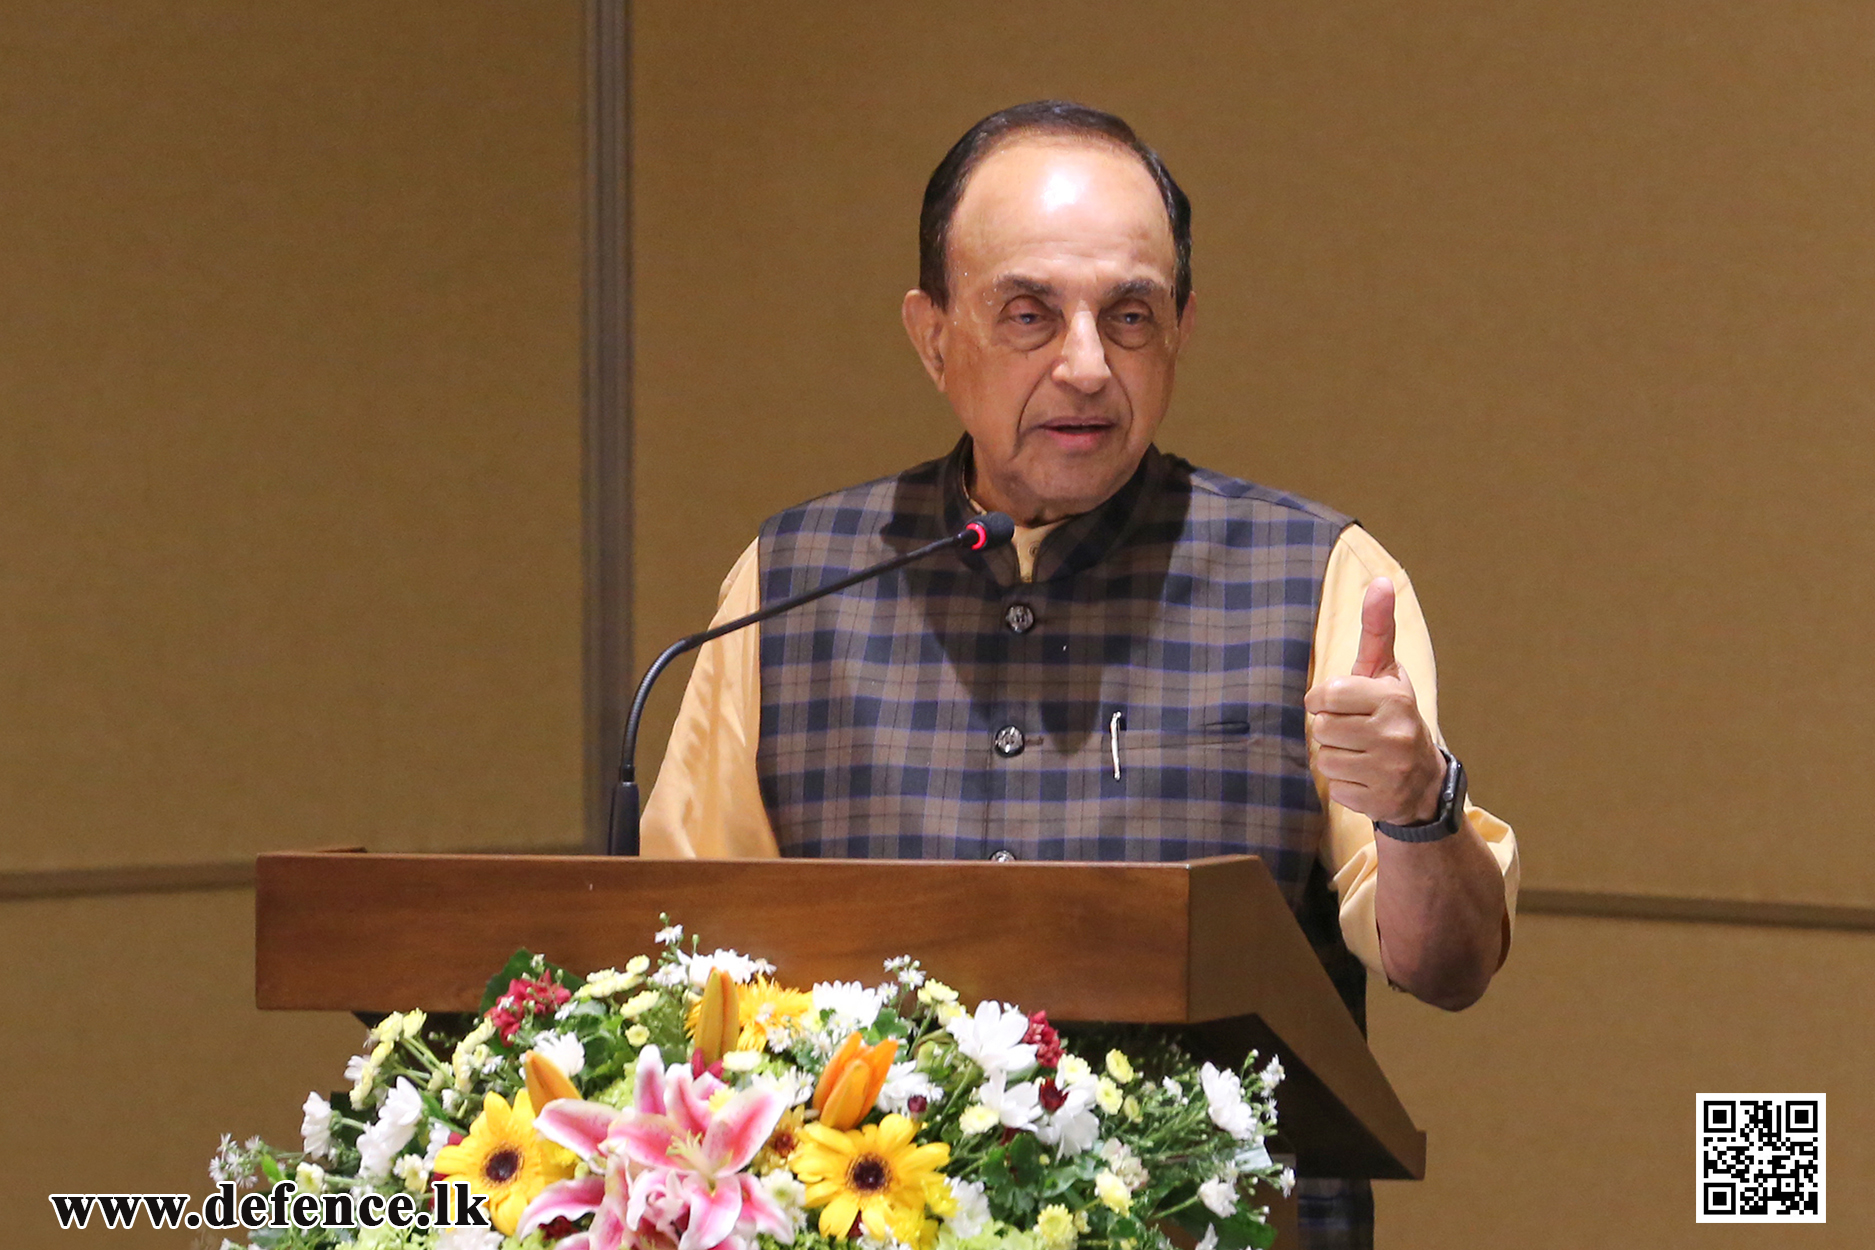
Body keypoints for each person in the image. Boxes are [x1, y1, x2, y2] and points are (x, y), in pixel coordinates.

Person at [643, 100, 1519, 1249]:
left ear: (1184, 328)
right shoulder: (795, 579)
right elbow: (675, 974)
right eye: (1028, 313)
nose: (1088, 365)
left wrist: (1418, 808)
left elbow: (1444, 962)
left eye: (1132, 315)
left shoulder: (1319, 579)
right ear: (932, 335)